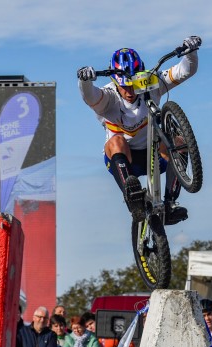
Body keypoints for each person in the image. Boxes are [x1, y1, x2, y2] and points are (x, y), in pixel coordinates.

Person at [77, 36, 201, 224]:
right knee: (116, 140)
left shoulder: (149, 83)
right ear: (114, 81)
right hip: (124, 160)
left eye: (132, 83)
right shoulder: (108, 98)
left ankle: (169, 204)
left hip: (154, 155)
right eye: (123, 85)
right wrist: (84, 80)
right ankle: (133, 199)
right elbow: (89, 95)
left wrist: (191, 52)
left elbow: (185, 71)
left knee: (180, 142)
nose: (129, 90)